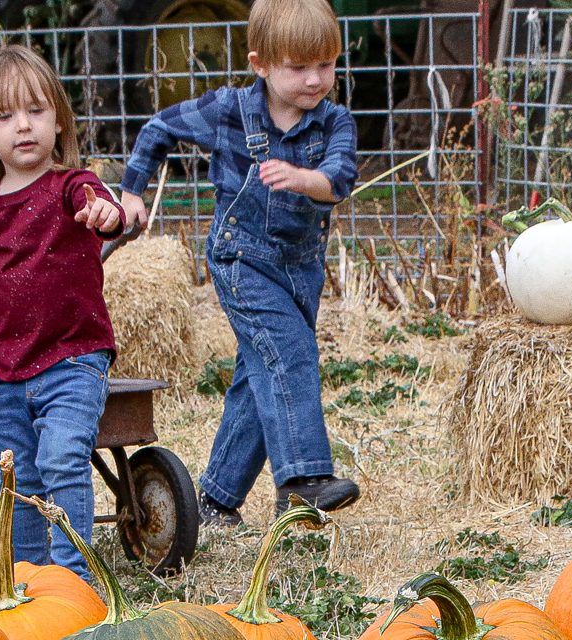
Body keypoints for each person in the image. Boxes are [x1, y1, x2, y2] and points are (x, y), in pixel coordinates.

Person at [119, 0, 360, 526]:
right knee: (290, 352)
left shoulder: (335, 122)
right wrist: (132, 191)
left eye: (325, 65)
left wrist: (302, 178)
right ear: (261, 64)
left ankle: (217, 499)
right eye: (298, 68)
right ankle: (302, 481)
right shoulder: (230, 110)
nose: (315, 79)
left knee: (261, 373)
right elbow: (158, 128)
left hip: (300, 269)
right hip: (240, 258)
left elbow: (338, 178)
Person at [0, 44, 126, 581]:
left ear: (57, 118)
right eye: (5, 116)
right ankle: (28, 576)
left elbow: (108, 211)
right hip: (3, 374)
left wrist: (105, 213)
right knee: (19, 479)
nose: (23, 127)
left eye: (36, 111)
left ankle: (73, 579)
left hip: (72, 361)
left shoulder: (72, 186)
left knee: (61, 460)